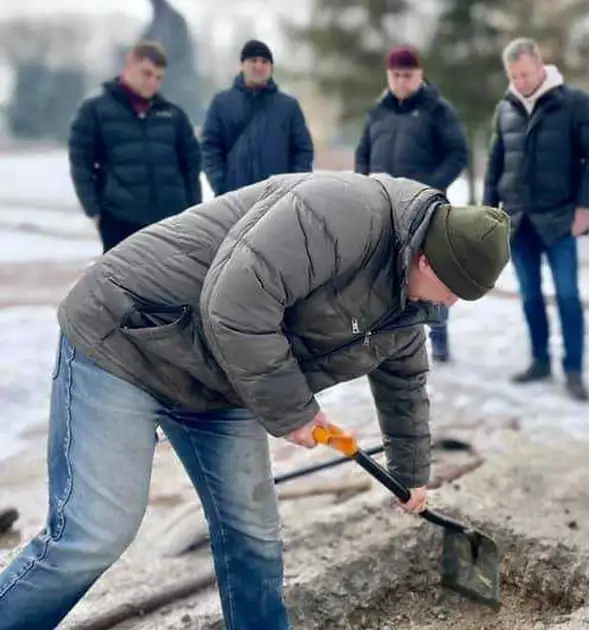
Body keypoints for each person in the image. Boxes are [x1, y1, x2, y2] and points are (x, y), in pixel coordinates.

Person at [0, 172, 511, 630]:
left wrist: (410, 473)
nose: (450, 304)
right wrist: (294, 410)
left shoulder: (409, 301)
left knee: (254, 534)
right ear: (424, 256)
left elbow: (404, 382)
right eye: (451, 290)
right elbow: (235, 303)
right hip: (131, 337)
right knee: (95, 534)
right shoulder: (340, 212)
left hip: (222, 379)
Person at [483, 37, 589, 402]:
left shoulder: (574, 103)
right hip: (518, 222)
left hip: (560, 220)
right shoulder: (505, 108)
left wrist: (584, 210)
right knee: (529, 297)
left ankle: (574, 370)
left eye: (525, 74)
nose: (520, 82)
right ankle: (539, 361)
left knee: (568, 296)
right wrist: (489, 213)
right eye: (514, 76)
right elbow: (495, 165)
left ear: (539, 66)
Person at [355, 45, 468, 364]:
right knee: (383, 275)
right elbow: (363, 152)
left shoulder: (437, 109)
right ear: (388, 76)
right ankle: (386, 340)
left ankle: (440, 339)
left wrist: (431, 186)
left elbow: (457, 152)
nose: (402, 81)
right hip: (381, 205)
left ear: (419, 75)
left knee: (430, 274)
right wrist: (362, 184)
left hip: (423, 207)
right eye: (396, 75)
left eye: (408, 75)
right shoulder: (379, 110)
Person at [68, 40, 201, 252]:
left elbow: (191, 165)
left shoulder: (173, 115)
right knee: (124, 284)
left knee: (171, 284)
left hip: (171, 222)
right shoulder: (95, 111)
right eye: (146, 74)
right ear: (128, 68)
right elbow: (80, 162)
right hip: (120, 221)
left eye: (158, 77)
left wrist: (193, 209)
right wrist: (94, 210)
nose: (153, 82)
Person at [201, 39, 315, 196]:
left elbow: (303, 151)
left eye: (264, 61)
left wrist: (292, 188)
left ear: (271, 67)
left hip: (278, 200)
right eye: (253, 60)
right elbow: (210, 148)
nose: (259, 66)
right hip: (234, 198)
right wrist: (221, 185)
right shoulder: (221, 103)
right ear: (242, 65)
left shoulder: (288, 107)